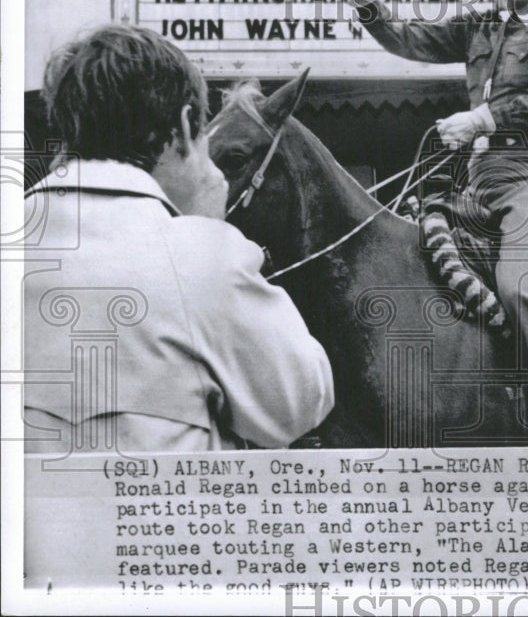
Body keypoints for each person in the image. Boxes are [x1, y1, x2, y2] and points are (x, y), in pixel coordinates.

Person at [340, 0, 528, 445]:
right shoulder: (475, 27)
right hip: (479, 179)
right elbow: (405, 37)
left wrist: (485, 119)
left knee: (521, 287)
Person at [22, 25, 335, 453]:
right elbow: (300, 405)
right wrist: (208, 235)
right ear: (188, 127)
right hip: (157, 518)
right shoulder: (200, 255)